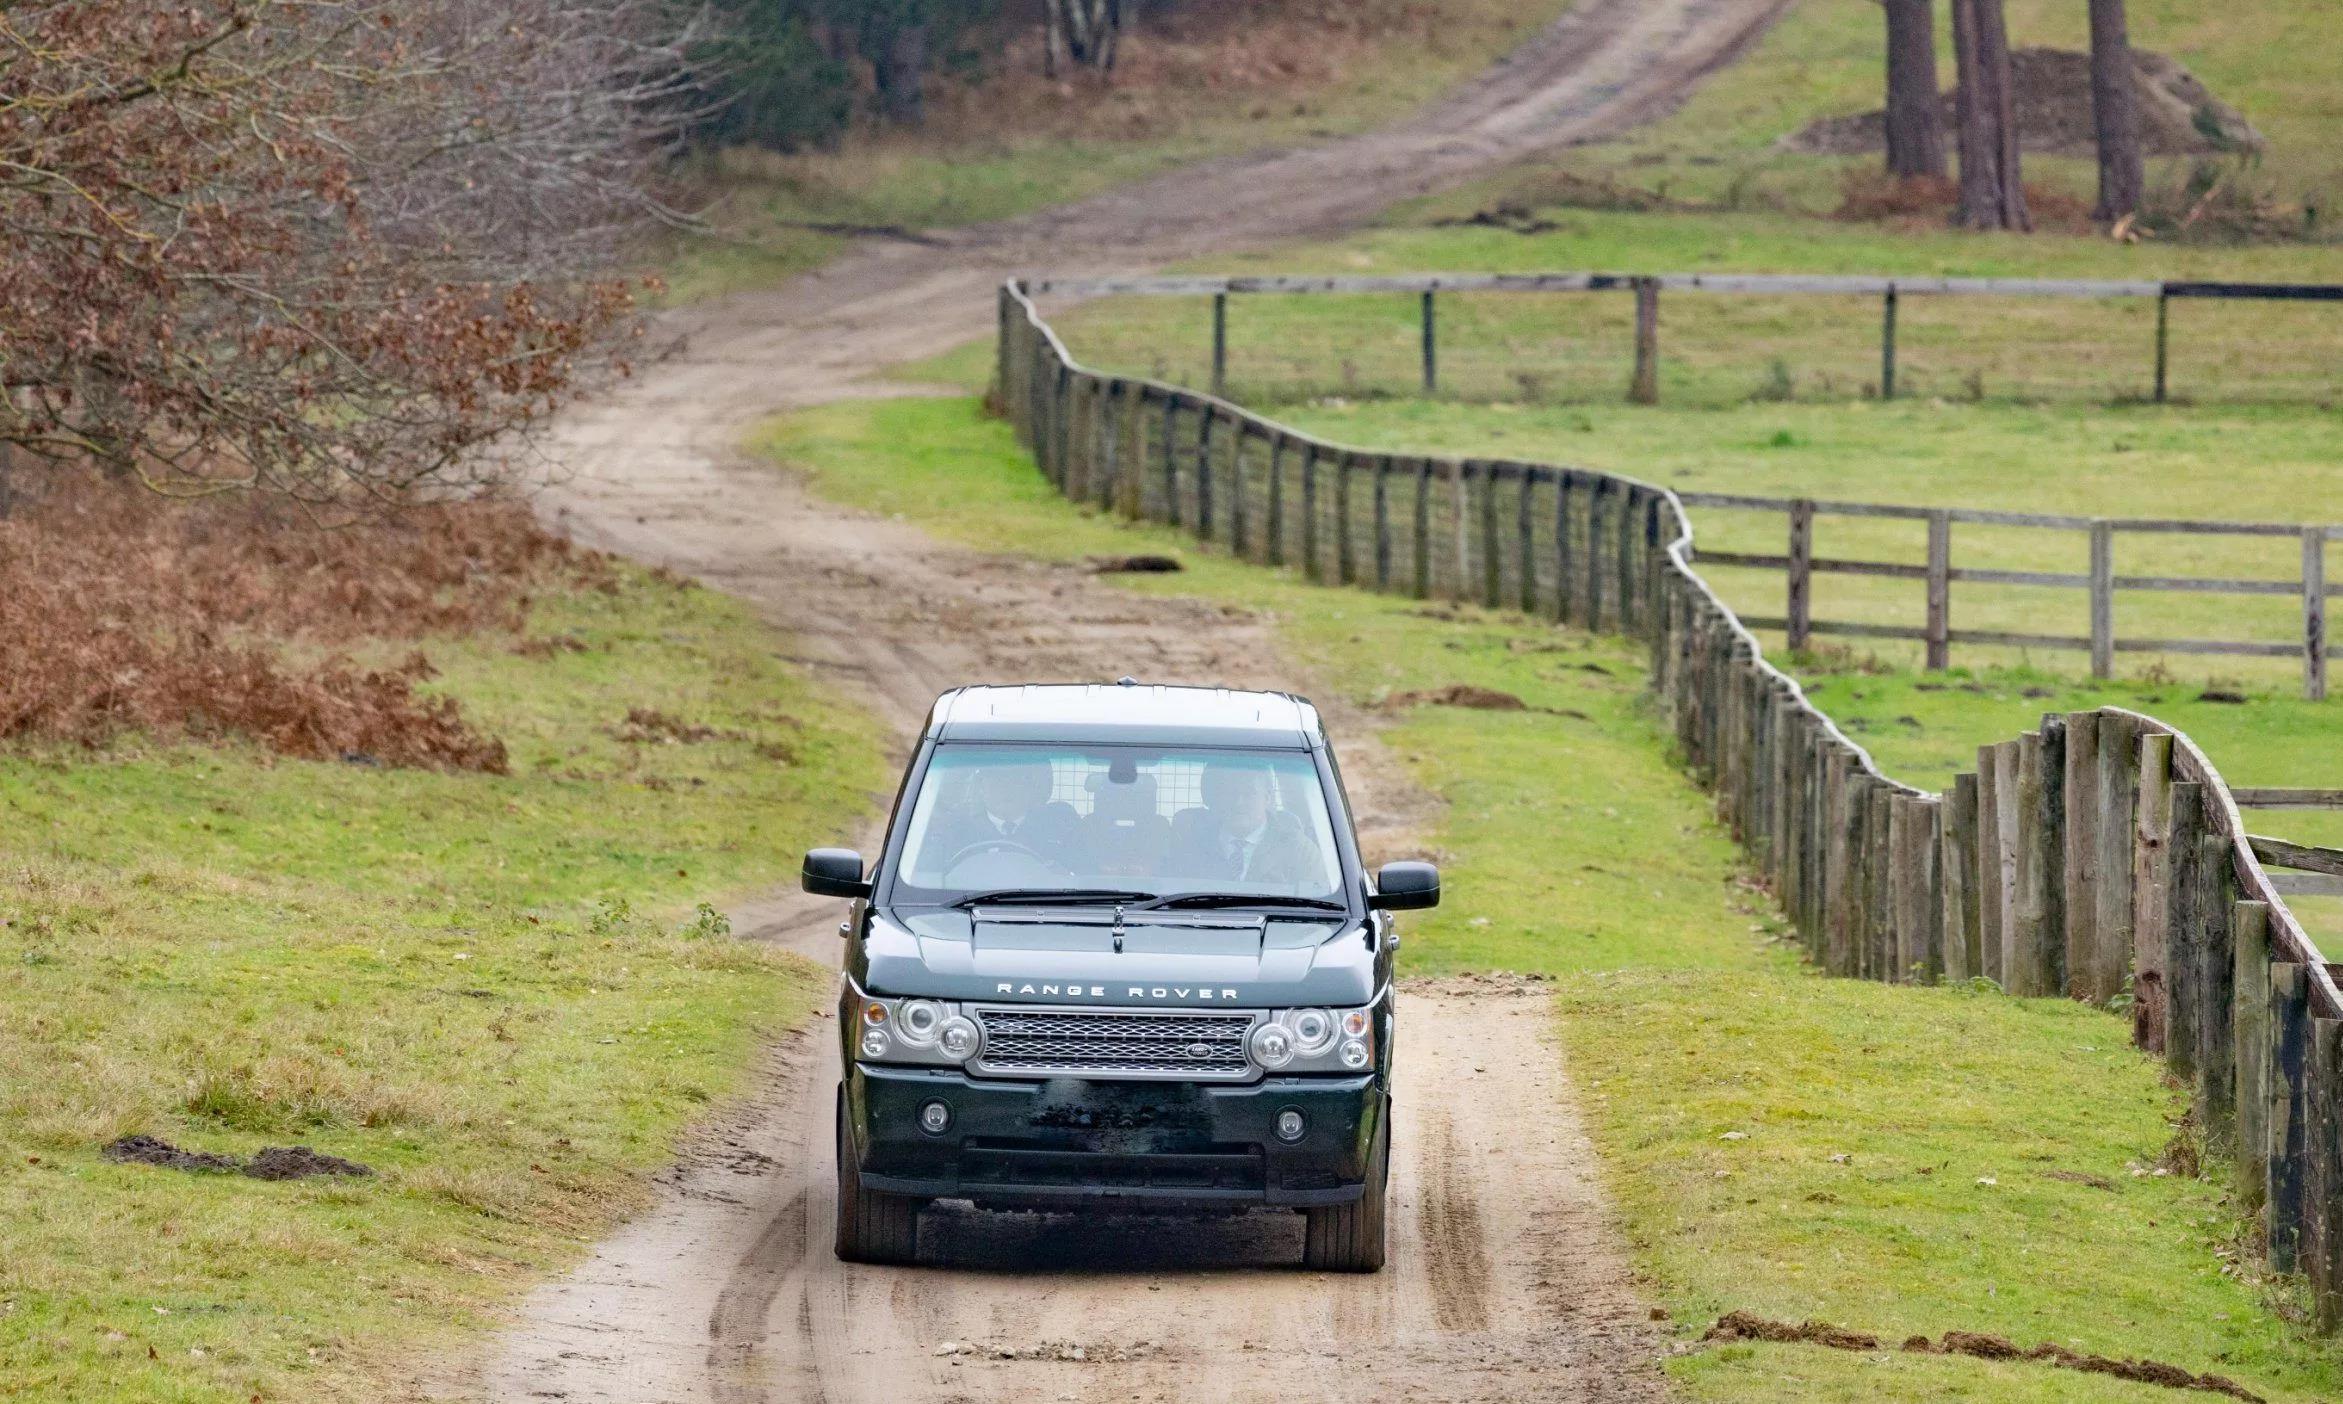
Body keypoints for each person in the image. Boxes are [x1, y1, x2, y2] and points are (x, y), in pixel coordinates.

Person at [1169, 760, 1321, 888]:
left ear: (1267, 797)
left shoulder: (1298, 848)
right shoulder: (1192, 845)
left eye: (1249, 793)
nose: (1238, 802)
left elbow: (1319, 904)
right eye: (1230, 793)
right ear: (1216, 797)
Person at [922, 756, 1081, 875]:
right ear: (981, 787)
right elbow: (927, 877)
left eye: (1015, 780)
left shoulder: (1059, 828)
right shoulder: (956, 829)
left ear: (1030, 787)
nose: (1006, 788)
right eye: (997, 779)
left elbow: (1085, 878)